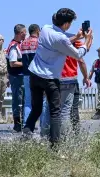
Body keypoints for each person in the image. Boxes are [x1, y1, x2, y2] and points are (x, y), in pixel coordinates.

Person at [23, 8, 93, 145]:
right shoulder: (61, 39)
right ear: (66, 24)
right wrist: (87, 40)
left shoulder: (45, 29)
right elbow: (78, 54)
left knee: (36, 108)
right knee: (56, 112)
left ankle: (26, 134)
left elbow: (60, 41)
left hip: (34, 74)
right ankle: (55, 145)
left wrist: (77, 37)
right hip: (49, 78)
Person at [20, 24, 48, 134]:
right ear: (37, 30)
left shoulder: (23, 43)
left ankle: (27, 126)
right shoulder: (39, 43)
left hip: (26, 74)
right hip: (38, 74)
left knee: (28, 101)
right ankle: (43, 125)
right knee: (43, 101)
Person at [59, 39, 90, 137]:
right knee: (71, 109)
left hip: (56, 79)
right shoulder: (73, 42)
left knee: (55, 109)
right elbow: (81, 60)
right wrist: (86, 77)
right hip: (71, 79)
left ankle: (51, 134)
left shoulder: (53, 42)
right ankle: (74, 134)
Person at [6, 24, 27, 131]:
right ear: (20, 33)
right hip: (17, 76)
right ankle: (17, 123)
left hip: (20, 76)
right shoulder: (14, 46)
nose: (26, 34)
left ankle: (23, 122)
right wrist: (25, 64)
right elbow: (12, 63)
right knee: (18, 100)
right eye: (24, 32)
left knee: (24, 100)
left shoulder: (20, 44)